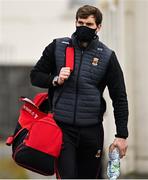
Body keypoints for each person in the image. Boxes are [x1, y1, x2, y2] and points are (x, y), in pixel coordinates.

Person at [30, 5, 128, 179]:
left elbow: (119, 98)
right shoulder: (58, 47)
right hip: (62, 129)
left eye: (89, 24)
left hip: (92, 131)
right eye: (80, 22)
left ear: (98, 27)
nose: (83, 27)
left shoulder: (107, 56)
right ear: (75, 22)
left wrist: (121, 135)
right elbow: (35, 76)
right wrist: (55, 79)